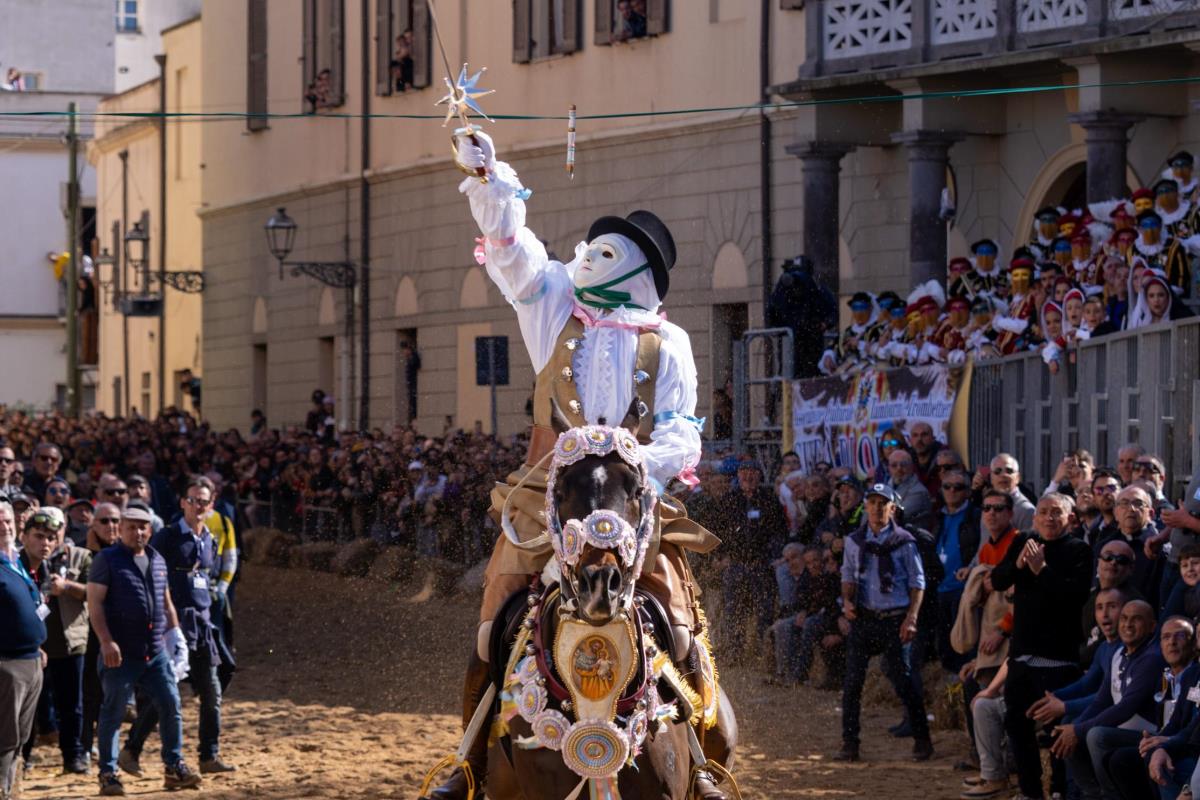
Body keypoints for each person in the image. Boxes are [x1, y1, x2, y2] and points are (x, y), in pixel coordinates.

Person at [433, 129, 725, 800]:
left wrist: (633, 464)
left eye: (606, 248)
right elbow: (516, 258)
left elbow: (685, 436)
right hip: (545, 497)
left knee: (678, 626)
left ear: (638, 269)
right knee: (493, 622)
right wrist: (488, 178)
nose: (587, 254)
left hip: (633, 502)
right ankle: (469, 759)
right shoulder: (555, 308)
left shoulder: (669, 344)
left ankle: (704, 758)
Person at [121, 477, 235, 776]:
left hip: (203, 624)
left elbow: (210, 575)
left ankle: (209, 756)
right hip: (173, 624)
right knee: (165, 694)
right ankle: (131, 750)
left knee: (212, 694)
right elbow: (148, 570)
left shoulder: (210, 538)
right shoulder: (168, 536)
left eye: (204, 501)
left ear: (211, 506)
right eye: (193, 500)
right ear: (183, 502)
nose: (198, 506)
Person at [87, 505, 199, 796]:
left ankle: (174, 766)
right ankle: (108, 773)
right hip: (120, 653)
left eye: (143, 527)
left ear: (150, 529)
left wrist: (175, 636)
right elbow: (95, 603)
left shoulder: (157, 559)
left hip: (155, 652)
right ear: (121, 527)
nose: (138, 532)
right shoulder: (107, 559)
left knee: (171, 705)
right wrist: (106, 641)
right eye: (132, 526)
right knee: (112, 712)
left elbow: (165, 601)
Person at [990, 493, 1094, 800]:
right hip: (1022, 658)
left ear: (1070, 518)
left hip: (1058, 661)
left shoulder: (1079, 550)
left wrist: (1041, 570)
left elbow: (1074, 596)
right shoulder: (1025, 541)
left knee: (1057, 733)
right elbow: (997, 580)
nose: (1049, 518)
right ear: (1034, 518)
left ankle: (1060, 790)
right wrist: (1020, 565)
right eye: (1044, 512)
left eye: (1056, 513)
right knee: (1018, 728)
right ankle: (1031, 792)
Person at [834, 483, 933, 763]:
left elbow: (917, 582)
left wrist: (912, 618)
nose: (877, 508)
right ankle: (850, 744)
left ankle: (923, 739)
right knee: (852, 684)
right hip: (865, 619)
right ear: (865, 507)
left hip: (895, 619)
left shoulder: (905, 541)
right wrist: (848, 602)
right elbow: (848, 575)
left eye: (883, 503)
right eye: (873, 502)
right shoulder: (855, 541)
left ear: (893, 508)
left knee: (903, 682)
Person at [1055, 600, 1164, 800]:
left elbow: (1126, 708)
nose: (1128, 624)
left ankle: (1111, 796)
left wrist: (1079, 730)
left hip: (1148, 734)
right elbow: (1101, 701)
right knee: (1070, 726)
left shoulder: (1152, 658)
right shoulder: (1117, 653)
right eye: (1124, 618)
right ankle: (1091, 795)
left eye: (1136, 619)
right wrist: (1074, 728)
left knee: (1096, 735)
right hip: (1121, 728)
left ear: (1152, 627)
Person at [20, 509, 91, 774]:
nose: (47, 541)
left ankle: (73, 757)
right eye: (40, 536)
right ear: (26, 536)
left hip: (69, 642)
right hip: (31, 648)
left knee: (72, 705)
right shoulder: (17, 564)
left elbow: (94, 593)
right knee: (29, 707)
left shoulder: (80, 556)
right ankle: (22, 758)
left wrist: (68, 587)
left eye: (53, 534)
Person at [1101, 616, 1200, 800]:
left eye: (1179, 636)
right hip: (1176, 739)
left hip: (1190, 747)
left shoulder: (1192, 671)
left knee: (1156, 760)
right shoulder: (1169, 676)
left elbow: (1192, 730)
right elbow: (1174, 721)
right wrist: (1157, 740)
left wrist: (1166, 742)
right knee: (1119, 758)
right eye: (1166, 637)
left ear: (1192, 643)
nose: (1172, 642)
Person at [0, 499, 45, 800]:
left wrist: (38, 645)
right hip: (6, 664)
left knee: (22, 735)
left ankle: (11, 788)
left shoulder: (16, 560)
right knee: (4, 737)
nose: (5, 525)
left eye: (8, 520)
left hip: (32, 660)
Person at [720, 460, 787, 656]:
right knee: (733, 610)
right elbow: (718, 531)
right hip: (735, 563)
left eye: (752, 472)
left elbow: (779, 532)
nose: (748, 476)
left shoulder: (769, 499)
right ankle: (735, 651)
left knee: (764, 611)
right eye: (744, 472)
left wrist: (774, 556)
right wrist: (721, 556)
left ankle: (762, 652)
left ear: (759, 476)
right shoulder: (729, 500)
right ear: (738, 476)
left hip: (762, 564)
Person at [81, 504, 121, 765]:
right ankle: (84, 745)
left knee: (115, 693)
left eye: (115, 520)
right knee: (90, 691)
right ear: (93, 525)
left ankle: (112, 749)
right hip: (88, 632)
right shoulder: (81, 553)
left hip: (120, 631)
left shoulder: (125, 552)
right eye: (104, 521)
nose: (111, 526)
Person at [765, 255, 837, 379]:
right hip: (789, 343)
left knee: (810, 376)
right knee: (789, 376)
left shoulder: (817, 290)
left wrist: (825, 323)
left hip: (811, 341)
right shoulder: (783, 290)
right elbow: (772, 313)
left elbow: (832, 312)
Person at [984, 453, 1035, 532]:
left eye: (1009, 471)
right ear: (991, 478)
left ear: (1018, 477)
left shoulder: (1026, 510)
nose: (1003, 475)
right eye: (997, 471)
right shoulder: (987, 505)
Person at [886, 449, 933, 532]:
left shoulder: (919, 492)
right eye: (894, 465)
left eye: (903, 465)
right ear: (889, 468)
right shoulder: (887, 486)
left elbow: (894, 516)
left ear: (911, 467)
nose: (899, 468)